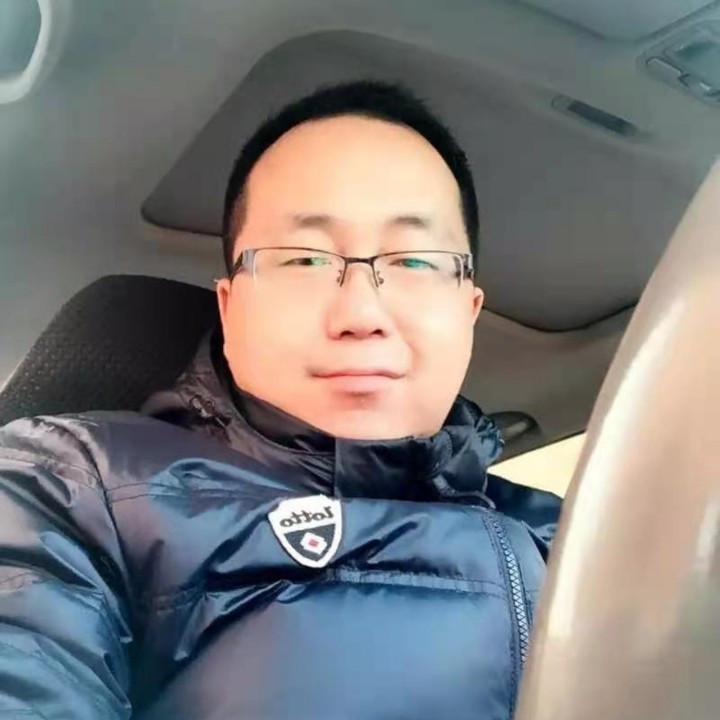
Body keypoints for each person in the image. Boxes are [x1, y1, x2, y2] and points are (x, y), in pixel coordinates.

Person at [0, 81, 561, 720]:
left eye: (412, 261)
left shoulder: (577, 537)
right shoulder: (67, 484)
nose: (361, 314)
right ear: (230, 308)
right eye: (303, 260)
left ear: (469, 310)